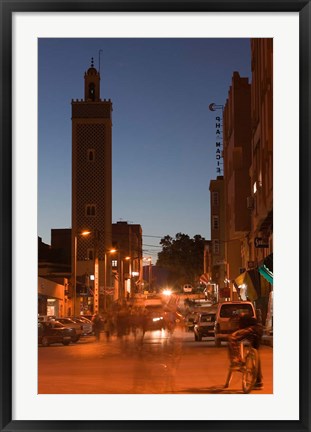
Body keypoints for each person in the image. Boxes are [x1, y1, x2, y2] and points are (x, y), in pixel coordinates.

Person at [227, 312, 264, 389]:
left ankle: (236, 359)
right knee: (255, 353)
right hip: (259, 331)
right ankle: (258, 381)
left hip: (251, 330)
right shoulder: (249, 317)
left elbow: (239, 332)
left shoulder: (241, 319)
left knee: (232, 338)